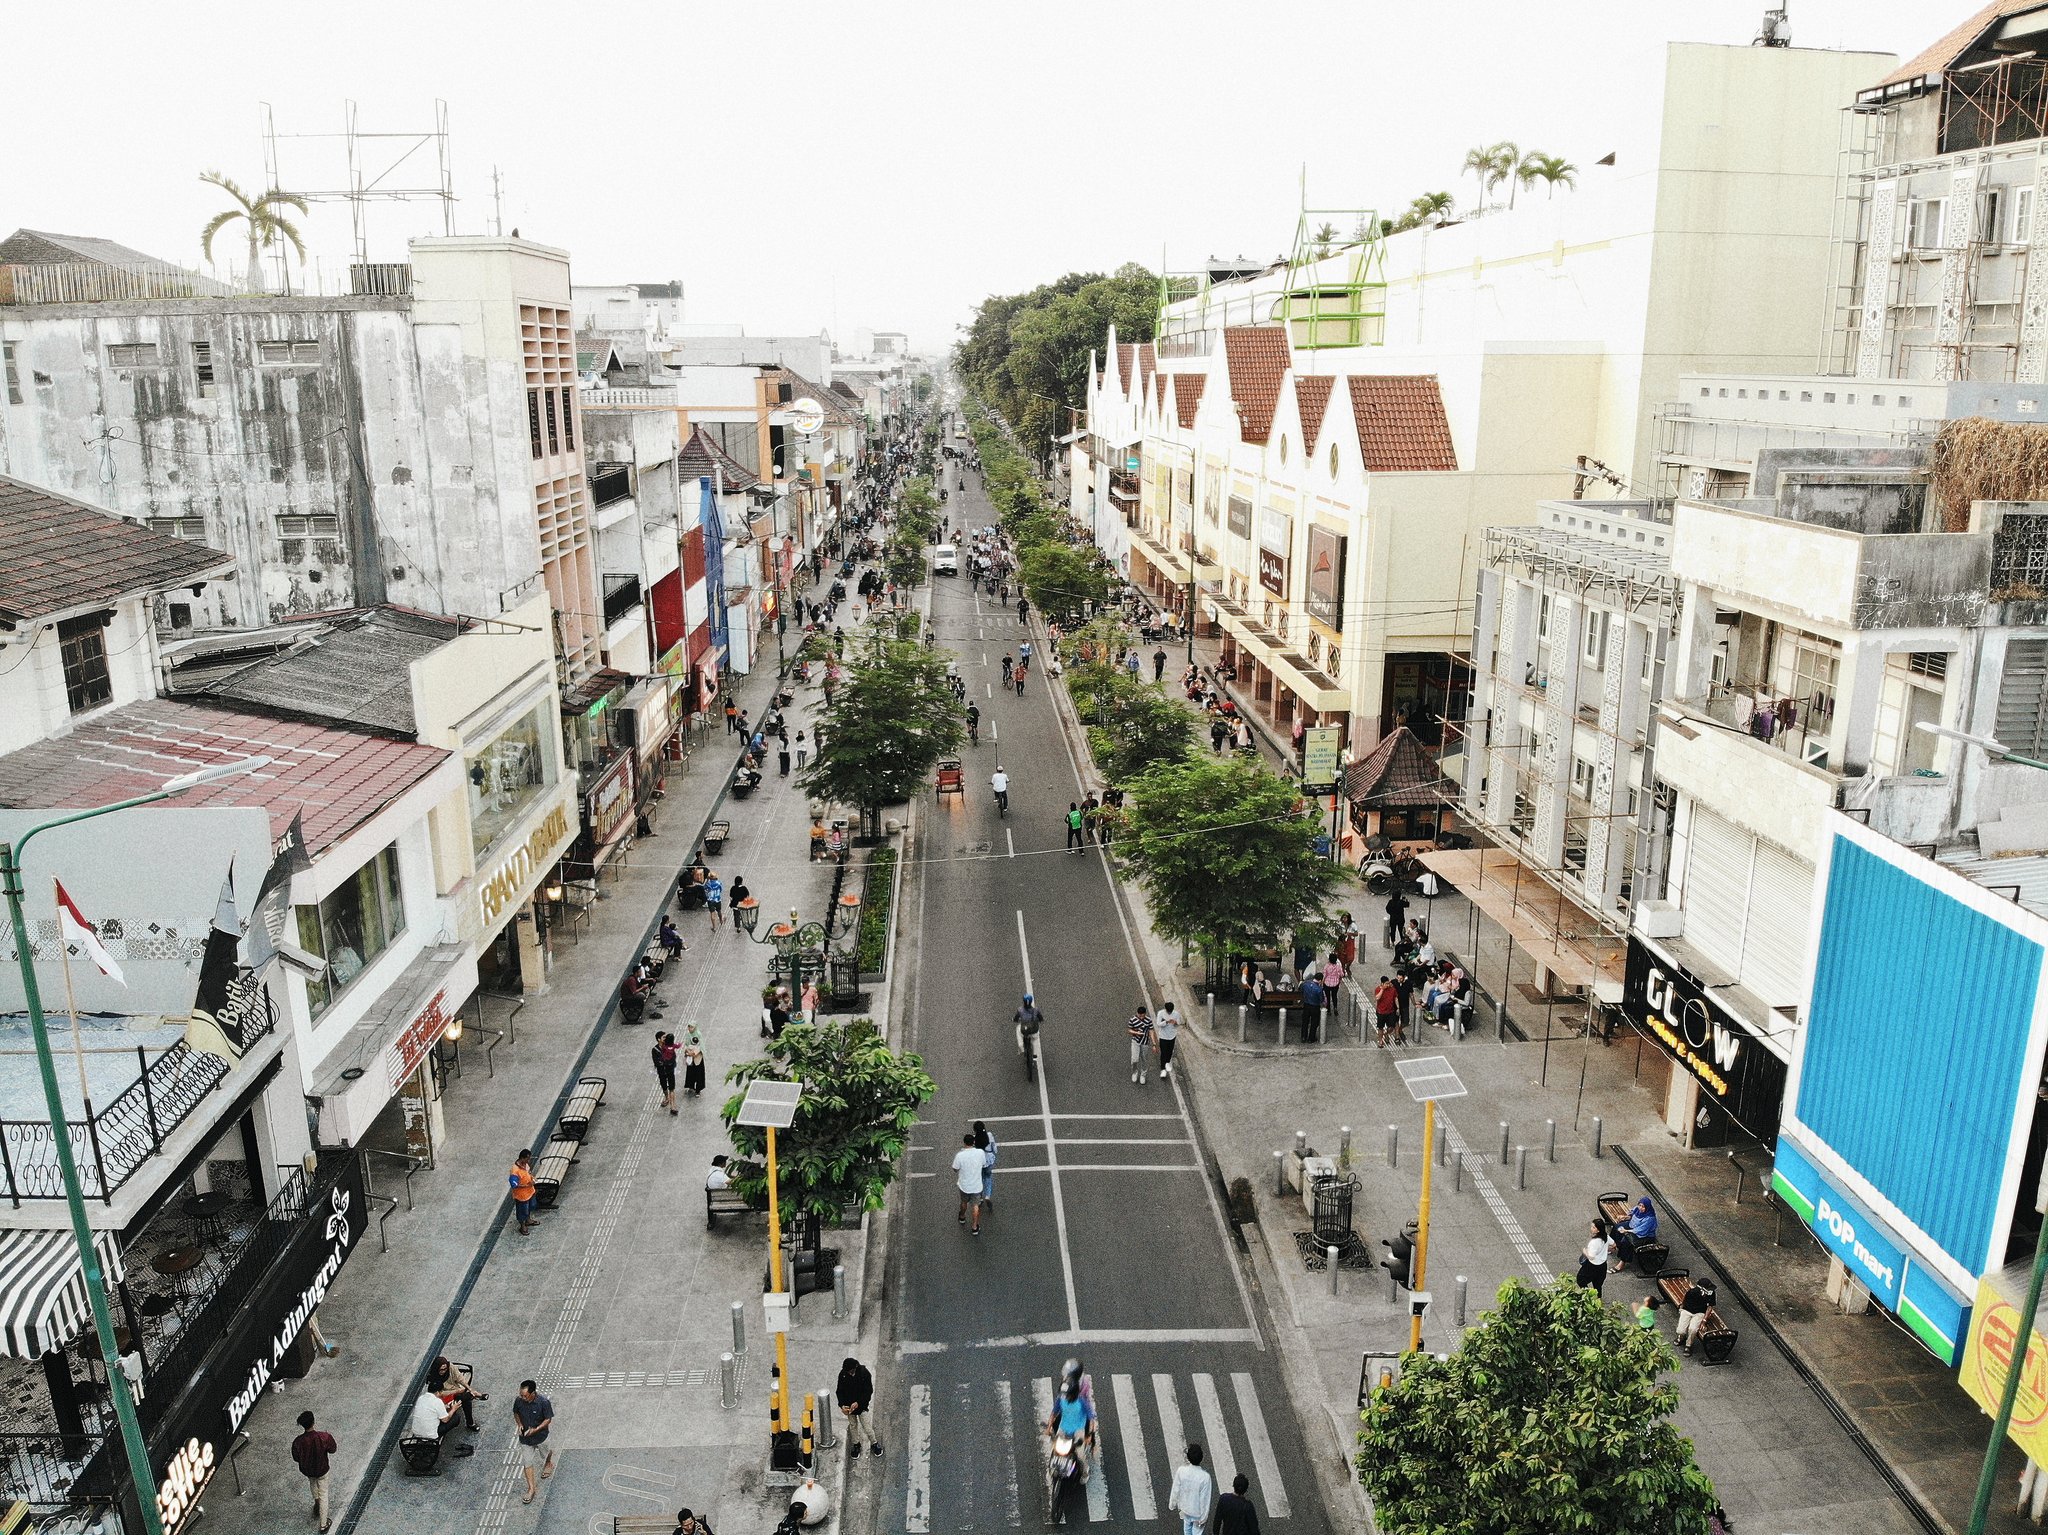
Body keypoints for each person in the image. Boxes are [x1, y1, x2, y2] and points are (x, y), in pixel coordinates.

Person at [292, 1410, 337, 1533]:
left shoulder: (298, 1441)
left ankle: (316, 1504)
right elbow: (333, 1449)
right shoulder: (324, 1437)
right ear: (313, 1422)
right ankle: (323, 1524)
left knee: (312, 1484)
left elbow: (296, 1457)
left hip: (308, 1471)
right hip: (322, 1470)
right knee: (324, 1494)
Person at [1046, 1373, 1097, 1480]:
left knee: (1080, 1454)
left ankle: (1085, 1472)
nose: (1064, 1396)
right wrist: (1049, 1427)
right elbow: (1054, 1413)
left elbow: (1091, 1419)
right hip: (1063, 1428)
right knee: (1055, 1449)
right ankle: (1051, 1467)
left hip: (1078, 1430)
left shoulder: (1082, 1401)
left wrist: (1089, 1435)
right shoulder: (1061, 1399)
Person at [514, 1380, 555, 1504]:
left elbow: (548, 1419)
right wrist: (519, 1424)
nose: (522, 1397)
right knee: (527, 1462)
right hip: (525, 1439)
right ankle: (531, 1488)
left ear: (533, 1393)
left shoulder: (543, 1402)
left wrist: (536, 1429)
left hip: (541, 1436)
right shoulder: (518, 1401)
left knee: (546, 1451)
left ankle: (548, 1463)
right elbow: (516, 1412)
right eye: (521, 1394)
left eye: (524, 1395)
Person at [835, 1355, 879, 1459]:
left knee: (867, 1427)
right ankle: (856, 1444)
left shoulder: (864, 1373)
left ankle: (874, 1443)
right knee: (853, 1426)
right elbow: (839, 1391)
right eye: (848, 1372)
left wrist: (859, 1403)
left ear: (855, 1367)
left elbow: (868, 1391)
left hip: (862, 1406)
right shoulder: (843, 1375)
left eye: (851, 1371)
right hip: (849, 1407)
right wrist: (842, 1405)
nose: (849, 1373)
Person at [429, 1356, 487, 1430]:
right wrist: (456, 1391)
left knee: (465, 1398)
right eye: (441, 1370)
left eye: (445, 1369)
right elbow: (439, 1393)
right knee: (466, 1399)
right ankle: (475, 1396)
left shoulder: (451, 1367)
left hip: (456, 1391)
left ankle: (473, 1394)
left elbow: (460, 1378)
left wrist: (469, 1388)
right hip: (444, 1398)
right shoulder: (432, 1377)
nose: (443, 1371)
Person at [1169, 1443, 1215, 1535]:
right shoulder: (1205, 1477)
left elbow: (1175, 1489)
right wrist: (1203, 1518)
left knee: (1187, 1530)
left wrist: (1172, 1504)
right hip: (1197, 1514)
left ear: (1188, 1457)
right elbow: (1205, 1500)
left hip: (1185, 1509)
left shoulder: (1181, 1471)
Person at [408, 1383, 463, 1448]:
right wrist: (453, 1409)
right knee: (456, 1418)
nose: (442, 1394)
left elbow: (429, 1408)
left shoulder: (421, 1398)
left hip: (416, 1432)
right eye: (441, 1392)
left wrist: (444, 1407)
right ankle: (437, 1439)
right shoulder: (437, 1401)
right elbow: (445, 1420)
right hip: (430, 1435)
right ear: (437, 1392)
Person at [953, 1132, 986, 1235]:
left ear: (964, 1143)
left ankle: (962, 1216)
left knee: (964, 1202)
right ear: (974, 1142)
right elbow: (984, 1164)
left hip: (964, 1185)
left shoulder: (960, 1155)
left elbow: (955, 1168)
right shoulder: (980, 1152)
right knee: (975, 1206)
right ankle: (975, 1226)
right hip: (976, 1186)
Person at [1676, 1276, 1717, 1354]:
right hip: (1687, 1310)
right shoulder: (1692, 1292)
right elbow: (1684, 1302)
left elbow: (1710, 1307)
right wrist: (1681, 1309)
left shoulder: (1711, 1294)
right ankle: (1681, 1337)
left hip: (1699, 1313)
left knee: (1693, 1329)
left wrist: (1704, 1320)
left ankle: (1688, 1345)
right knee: (1680, 1330)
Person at [1613, 1196, 1658, 1267]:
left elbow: (1641, 1230)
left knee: (1626, 1241)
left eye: (1643, 1206)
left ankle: (1622, 1262)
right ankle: (1617, 1246)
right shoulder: (1637, 1209)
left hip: (1643, 1235)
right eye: (1640, 1205)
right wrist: (1624, 1217)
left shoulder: (1650, 1218)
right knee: (1617, 1227)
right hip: (1632, 1225)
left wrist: (1626, 1231)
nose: (1640, 1208)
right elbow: (1631, 1215)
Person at [1575, 1220, 1611, 1295]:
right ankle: (1598, 1300)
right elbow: (1614, 1244)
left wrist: (1585, 1251)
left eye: (1593, 1227)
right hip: (1602, 1265)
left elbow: (1591, 1257)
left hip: (1592, 1266)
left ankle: (1587, 1295)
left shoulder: (1594, 1242)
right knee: (1598, 1285)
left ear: (1598, 1230)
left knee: (1581, 1279)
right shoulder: (1606, 1237)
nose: (1591, 1228)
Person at [508, 1150, 539, 1235]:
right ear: (522, 1158)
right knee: (522, 1211)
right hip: (522, 1196)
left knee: (530, 1206)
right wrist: (526, 1185)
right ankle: (522, 1226)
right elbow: (514, 1185)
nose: (528, 1161)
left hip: (530, 1192)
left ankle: (528, 1220)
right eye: (527, 1159)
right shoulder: (515, 1171)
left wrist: (532, 1179)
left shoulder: (525, 1165)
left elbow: (528, 1173)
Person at [975, 1120, 998, 1213]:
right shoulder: (989, 1135)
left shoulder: (974, 1138)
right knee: (988, 1177)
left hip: (979, 1162)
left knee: (979, 1179)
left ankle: (980, 1198)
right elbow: (994, 1148)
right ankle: (987, 1196)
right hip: (989, 1160)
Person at [1128, 1007, 1156, 1086]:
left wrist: (1154, 1044)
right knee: (1134, 1059)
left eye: (1142, 1016)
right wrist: (1136, 1033)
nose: (1141, 1017)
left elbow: (1151, 1031)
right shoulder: (1132, 1020)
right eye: (1139, 1016)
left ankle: (1143, 1075)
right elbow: (1129, 1030)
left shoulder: (1148, 1020)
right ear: (1137, 1013)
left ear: (1145, 1014)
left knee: (1144, 1059)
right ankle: (1134, 1073)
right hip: (1135, 1042)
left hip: (1145, 1043)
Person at [653, 1032, 678, 1114]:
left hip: (670, 1071)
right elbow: (657, 1062)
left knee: (672, 1087)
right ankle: (667, 1097)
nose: (665, 1038)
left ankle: (673, 1106)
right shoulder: (655, 1050)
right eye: (663, 1037)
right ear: (658, 1039)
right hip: (662, 1071)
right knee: (664, 1085)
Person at [1154, 999, 1180, 1076]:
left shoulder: (1176, 1014)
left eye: (1171, 1011)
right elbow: (1158, 1024)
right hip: (1163, 1037)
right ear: (1166, 1009)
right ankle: (1162, 1068)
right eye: (1168, 1011)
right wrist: (1166, 1022)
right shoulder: (1161, 1013)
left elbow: (1178, 1023)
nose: (1170, 1013)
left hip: (1172, 1036)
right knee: (1163, 1052)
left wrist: (1175, 1022)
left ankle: (1168, 1062)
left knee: (1170, 1051)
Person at [1372, 975, 1399, 1048]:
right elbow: (1377, 997)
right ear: (1382, 984)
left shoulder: (1392, 989)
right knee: (1380, 1027)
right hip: (1381, 1012)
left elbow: (1395, 998)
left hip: (1390, 1011)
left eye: (1388, 983)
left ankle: (1386, 1034)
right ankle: (1380, 1041)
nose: (1388, 985)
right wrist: (1382, 989)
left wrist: (1397, 1007)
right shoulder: (1378, 989)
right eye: (1386, 983)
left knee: (1391, 1027)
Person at [1015, 992, 1043, 1058]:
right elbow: (1041, 1018)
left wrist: (1014, 1019)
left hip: (1024, 1030)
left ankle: (1021, 1046)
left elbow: (1016, 1018)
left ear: (1023, 1001)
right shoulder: (1036, 1010)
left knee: (1018, 1028)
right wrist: (1040, 1020)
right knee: (1035, 1039)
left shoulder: (1020, 1010)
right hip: (1034, 1030)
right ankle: (1035, 1054)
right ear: (1031, 1001)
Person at [682, 1029, 707, 1098]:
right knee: (690, 1073)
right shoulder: (688, 1037)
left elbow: (700, 1049)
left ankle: (698, 1090)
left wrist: (692, 1053)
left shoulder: (699, 1037)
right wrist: (687, 1052)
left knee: (699, 1075)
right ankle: (691, 1086)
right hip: (690, 1061)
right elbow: (686, 1047)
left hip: (698, 1060)